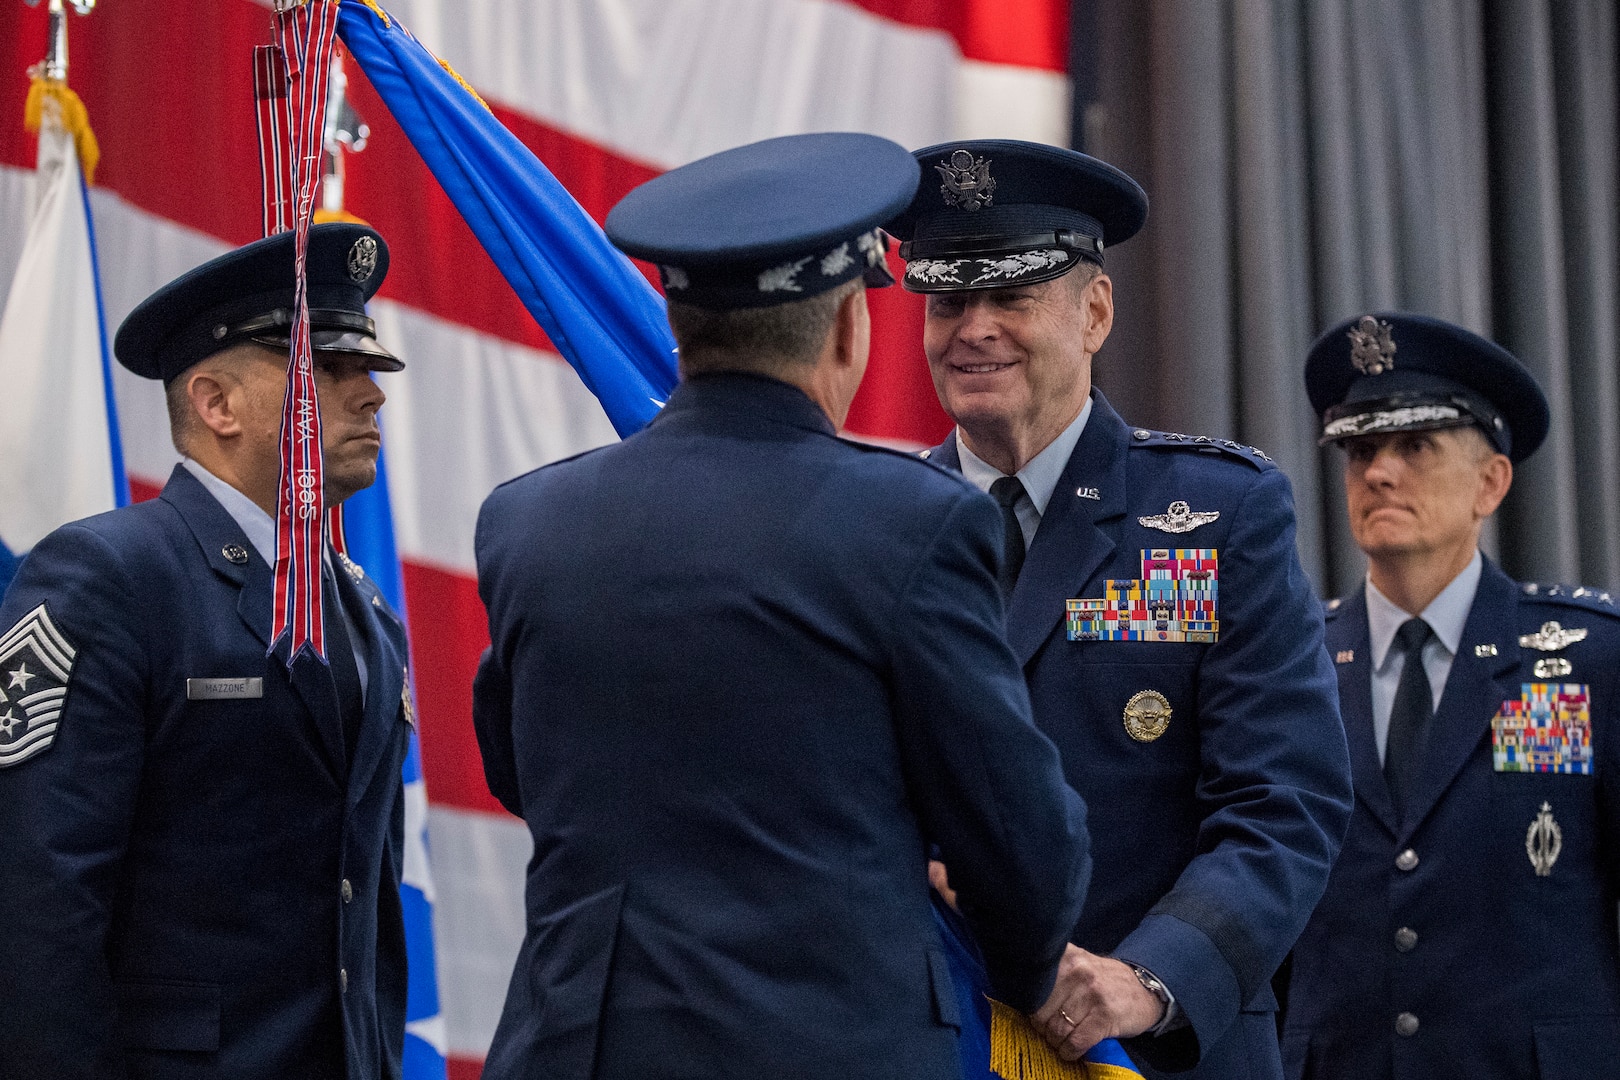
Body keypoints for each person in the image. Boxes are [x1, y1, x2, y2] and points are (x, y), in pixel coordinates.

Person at [471, 132, 1092, 1080]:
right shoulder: (912, 527)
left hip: (588, 1050)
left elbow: (518, 772)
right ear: (850, 326)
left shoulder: (527, 524)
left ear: (680, 328)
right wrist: (1009, 972)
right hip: (831, 1046)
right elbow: (1020, 845)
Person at [883, 139, 1354, 1078]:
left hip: (1153, 1052)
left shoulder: (1219, 513)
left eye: (1010, 296)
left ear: (1094, 311)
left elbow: (1284, 800)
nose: (972, 328)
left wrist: (1149, 975)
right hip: (936, 1042)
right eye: (947, 300)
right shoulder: (874, 530)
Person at [0, 223, 414, 1080]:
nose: (370, 394)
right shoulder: (111, 575)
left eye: (366, 368)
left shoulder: (364, 608)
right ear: (216, 403)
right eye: (327, 369)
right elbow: (38, 896)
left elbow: (361, 908)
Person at [1282, 312, 1620, 1078]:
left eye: (1415, 447)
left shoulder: (1587, 658)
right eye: (1361, 451)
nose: (1379, 473)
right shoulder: (1291, 663)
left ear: (1490, 482)